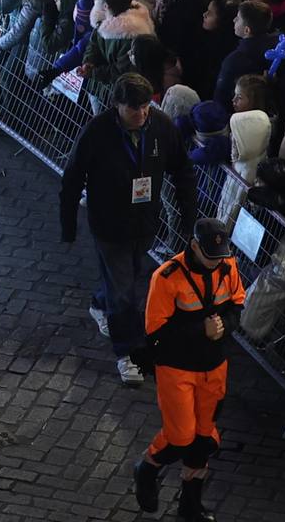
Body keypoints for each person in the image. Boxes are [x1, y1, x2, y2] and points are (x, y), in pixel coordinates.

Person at [60, 74, 189, 384]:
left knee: (128, 274)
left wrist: (188, 215)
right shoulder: (97, 132)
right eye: (134, 109)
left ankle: (98, 304)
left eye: (146, 107)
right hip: (109, 223)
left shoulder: (160, 126)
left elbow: (182, 169)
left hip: (144, 222)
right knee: (125, 290)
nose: (142, 115)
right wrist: (68, 225)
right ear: (117, 105)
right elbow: (73, 176)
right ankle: (129, 354)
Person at [134, 218, 244, 521]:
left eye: (220, 256)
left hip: (213, 367)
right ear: (194, 247)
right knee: (180, 437)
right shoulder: (167, 277)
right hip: (177, 369)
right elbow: (155, 333)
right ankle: (147, 468)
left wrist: (224, 329)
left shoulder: (226, 265)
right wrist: (201, 330)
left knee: (204, 439)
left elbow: (236, 305)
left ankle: (190, 505)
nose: (216, 262)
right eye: (210, 255)